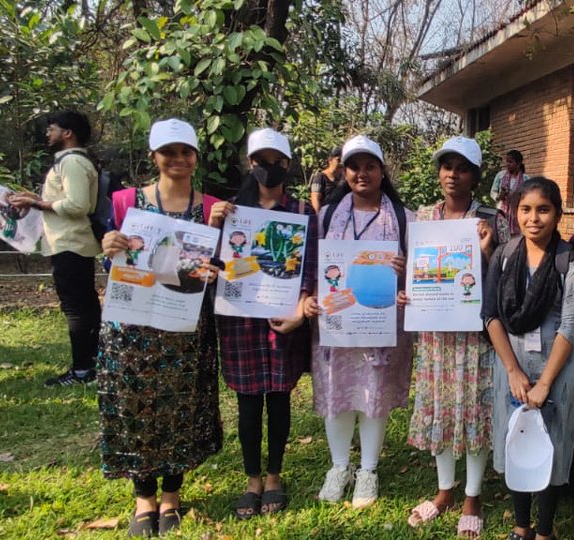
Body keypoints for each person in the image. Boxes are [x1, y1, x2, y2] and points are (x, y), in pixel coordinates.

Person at [97, 118, 224, 537]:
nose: (178, 160)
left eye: (186, 152)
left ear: (196, 157)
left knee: (181, 406)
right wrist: (108, 247)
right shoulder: (123, 202)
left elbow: (224, 270)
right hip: (131, 325)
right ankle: (143, 496)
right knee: (133, 405)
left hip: (184, 324)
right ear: (153, 156)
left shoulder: (210, 208)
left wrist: (214, 269)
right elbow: (110, 258)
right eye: (168, 152)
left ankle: (171, 493)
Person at [207, 128, 318, 519]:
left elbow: (311, 267)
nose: (268, 168)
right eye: (260, 161)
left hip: (282, 319)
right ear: (249, 164)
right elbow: (212, 265)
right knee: (248, 403)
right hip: (241, 324)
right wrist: (212, 224)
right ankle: (251, 479)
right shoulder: (230, 211)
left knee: (280, 399)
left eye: (276, 161)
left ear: (287, 164)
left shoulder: (303, 213)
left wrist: (301, 307)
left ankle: (274, 475)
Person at [301, 134, 414, 509]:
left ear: (383, 171)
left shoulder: (403, 218)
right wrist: (311, 299)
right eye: (354, 166)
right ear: (344, 171)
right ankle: (339, 466)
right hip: (336, 323)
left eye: (370, 166)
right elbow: (312, 266)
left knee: (373, 394)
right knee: (339, 392)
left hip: (381, 325)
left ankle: (367, 470)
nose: (361, 173)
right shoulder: (326, 216)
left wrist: (405, 273)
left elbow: (422, 273)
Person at [397, 136, 495, 538]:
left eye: (462, 168)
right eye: (447, 166)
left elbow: (502, 277)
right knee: (440, 405)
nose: (452, 174)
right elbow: (419, 271)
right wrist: (406, 288)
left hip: (474, 334)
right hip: (436, 333)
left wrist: (487, 252)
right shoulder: (423, 217)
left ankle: (472, 495)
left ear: (475, 176)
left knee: (473, 407)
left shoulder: (489, 218)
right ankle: (443, 491)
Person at [483, 177, 574, 540]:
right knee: (515, 443)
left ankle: (544, 531)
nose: (534, 218)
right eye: (525, 209)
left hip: (557, 370)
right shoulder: (504, 254)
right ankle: (520, 526)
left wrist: (544, 383)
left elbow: (570, 325)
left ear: (557, 214)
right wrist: (512, 370)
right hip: (510, 367)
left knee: (552, 448)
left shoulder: (568, 259)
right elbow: (490, 315)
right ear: (514, 212)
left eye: (543, 209)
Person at [10, 111, 102, 386]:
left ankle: (83, 371)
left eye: (51, 129)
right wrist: (36, 199)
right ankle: (93, 364)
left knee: (76, 308)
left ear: (67, 133)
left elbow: (77, 205)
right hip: (70, 242)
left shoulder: (72, 162)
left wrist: (37, 204)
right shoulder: (72, 162)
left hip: (70, 243)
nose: (47, 134)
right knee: (84, 306)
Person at [490, 149, 528, 244]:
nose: (507, 164)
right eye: (507, 161)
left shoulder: (526, 179)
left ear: (518, 163)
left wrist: (516, 197)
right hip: (502, 212)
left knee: (516, 241)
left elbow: (528, 197)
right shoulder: (500, 176)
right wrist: (500, 196)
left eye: (510, 162)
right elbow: (493, 192)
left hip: (517, 214)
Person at [309, 146, 343, 212]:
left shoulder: (345, 179)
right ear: (330, 160)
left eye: (343, 161)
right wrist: (319, 217)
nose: (341, 163)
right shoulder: (320, 177)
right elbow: (315, 198)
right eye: (338, 160)